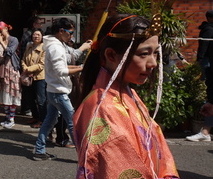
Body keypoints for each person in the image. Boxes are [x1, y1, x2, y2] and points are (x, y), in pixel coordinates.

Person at [74, 14, 179, 179]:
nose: (153, 63)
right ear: (111, 55)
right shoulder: (102, 108)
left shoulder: (127, 92)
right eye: (144, 54)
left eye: (156, 53)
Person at [32, 18, 83, 161]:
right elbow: (61, 71)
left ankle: (40, 150)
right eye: (70, 33)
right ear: (61, 31)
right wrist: (80, 68)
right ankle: (83, 156)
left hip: (54, 90)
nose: (71, 36)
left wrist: (79, 67)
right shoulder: (55, 47)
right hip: (58, 92)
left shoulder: (56, 45)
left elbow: (62, 68)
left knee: (49, 121)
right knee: (73, 122)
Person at [187, 10, 213, 142]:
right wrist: (200, 59)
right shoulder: (208, 30)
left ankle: (205, 132)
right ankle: (205, 132)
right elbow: (203, 46)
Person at [0, 21, 21, 129]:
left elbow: (10, 51)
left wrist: (1, 42)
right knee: (3, 94)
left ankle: (11, 118)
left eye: (0, 31)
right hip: (1, 69)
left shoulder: (13, 40)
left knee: (12, 93)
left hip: (11, 69)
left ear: (6, 29)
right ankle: (6, 117)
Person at [21, 29, 45, 128]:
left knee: (40, 99)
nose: (36, 36)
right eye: (34, 34)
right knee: (29, 98)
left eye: (38, 35)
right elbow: (23, 59)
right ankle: (35, 116)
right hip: (28, 76)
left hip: (40, 77)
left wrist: (28, 70)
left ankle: (42, 120)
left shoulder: (44, 48)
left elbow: (42, 64)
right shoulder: (29, 47)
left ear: (42, 36)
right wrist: (25, 68)